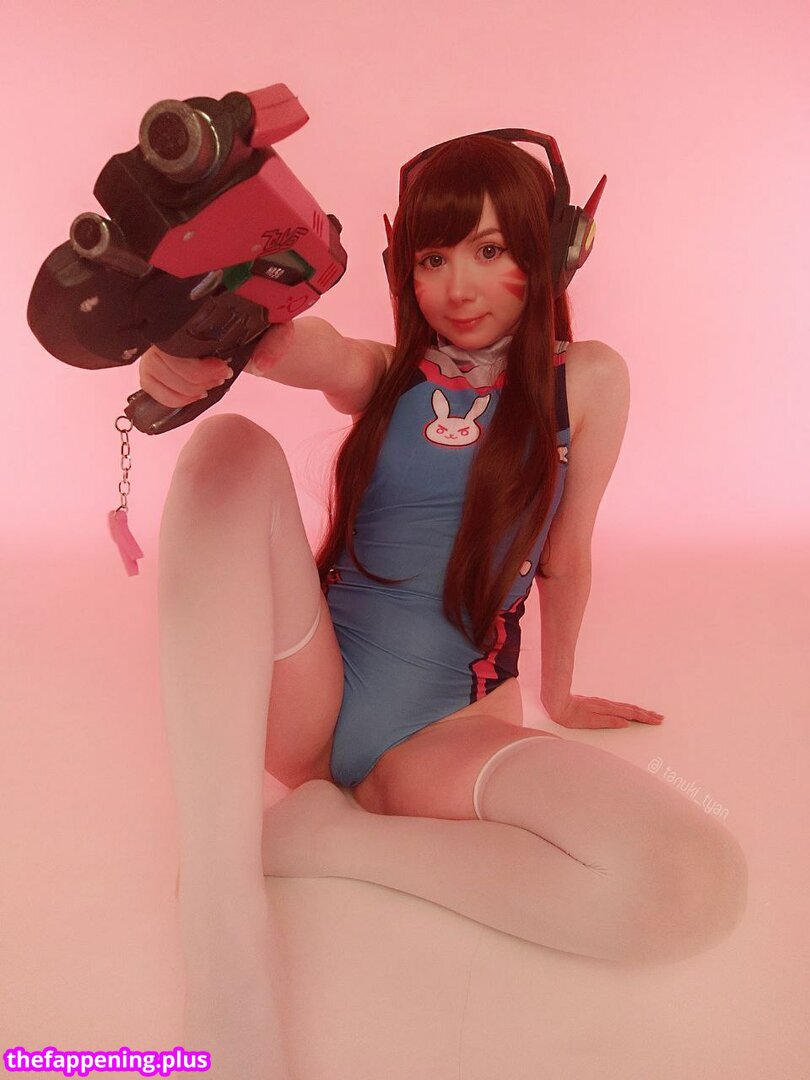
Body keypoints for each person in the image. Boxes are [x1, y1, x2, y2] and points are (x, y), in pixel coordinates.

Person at [141, 134, 748, 1077]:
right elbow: (300, 349)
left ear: (551, 254)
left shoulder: (585, 381)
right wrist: (195, 342)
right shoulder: (388, 374)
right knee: (227, 449)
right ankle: (223, 920)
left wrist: (559, 694)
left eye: (490, 250)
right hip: (308, 695)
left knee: (692, 884)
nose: (457, 286)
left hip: (443, 738)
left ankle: (327, 839)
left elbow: (567, 556)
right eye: (433, 258)